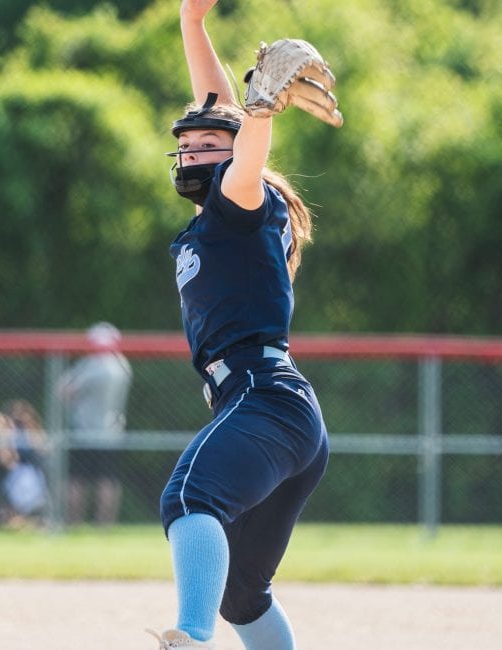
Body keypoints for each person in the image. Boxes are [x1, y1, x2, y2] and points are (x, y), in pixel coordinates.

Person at [148, 2, 333, 648]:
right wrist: (191, 23)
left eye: (206, 145)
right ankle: (212, 626)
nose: (191, 151)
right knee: (243, 594)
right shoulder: (229, 209)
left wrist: (259, 114)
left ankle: (192, 639)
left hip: (263, 397)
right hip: (281, 409)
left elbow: (244, 143)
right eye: (185, 145)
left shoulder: (237, 198)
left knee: (188, 498)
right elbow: (223, 116)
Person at [56, 322, 133, 526]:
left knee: (76, 478)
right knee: (108, 479)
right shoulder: (122, 365)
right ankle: (104, 525)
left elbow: (65, 390)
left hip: (84, 432)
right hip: (112, 432)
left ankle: (73, 522)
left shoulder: (92, 365)